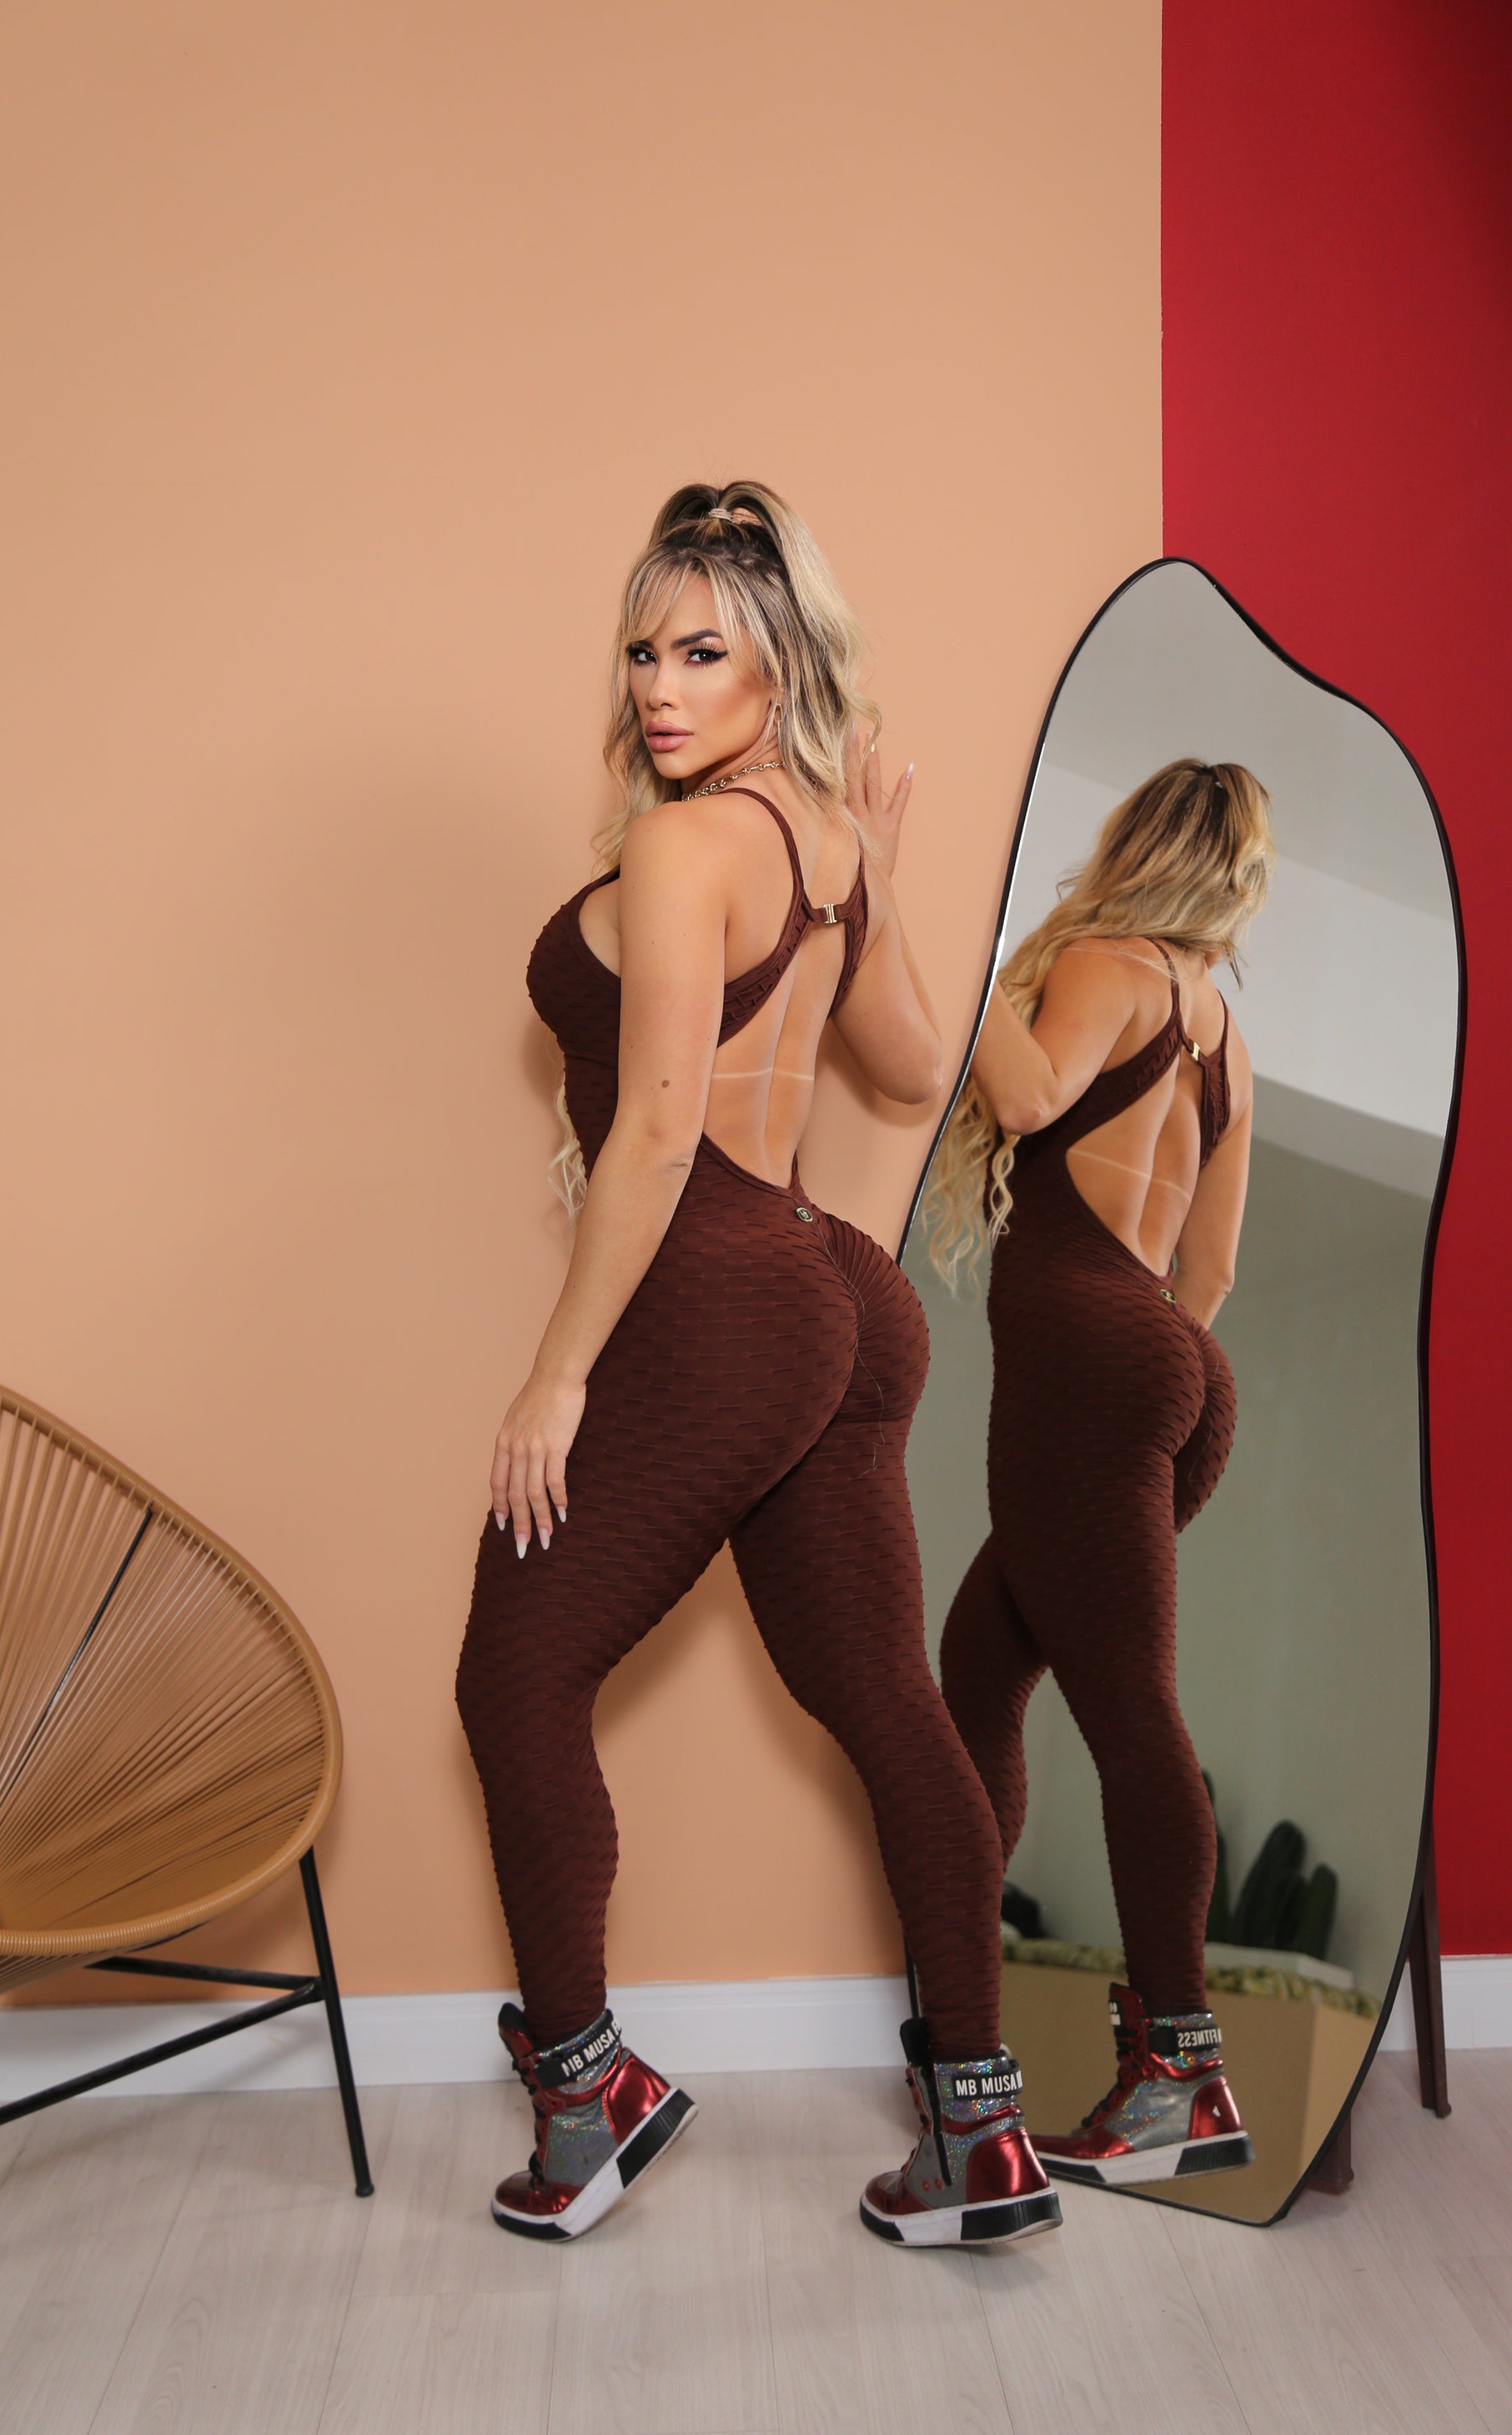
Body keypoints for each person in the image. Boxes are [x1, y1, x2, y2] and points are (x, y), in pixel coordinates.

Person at [455, 481, 1060, 2247]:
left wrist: (558, 1371)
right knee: (887, 1704)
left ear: (777, 663)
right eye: (642, 651)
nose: (658, 686)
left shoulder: (683, 846)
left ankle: (588, 2096)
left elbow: (656, 1131)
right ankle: (980, 2132)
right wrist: (876, 876)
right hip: (834, 1292)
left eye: (701, 651)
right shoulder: (820, 842)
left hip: (715, 1291)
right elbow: (913, 1069)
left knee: (513, 1680)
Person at [924, 757, 1273, 2186]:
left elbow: (1026, 1099)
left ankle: (1178, 2073)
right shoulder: (1225, 1037)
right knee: (977, 1671)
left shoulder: (1106, 966)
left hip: (1085, 1363)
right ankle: (962, 2027)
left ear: (1136, 843)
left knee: (1129, 1711)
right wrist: (1147, 1369)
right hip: (1170, 1359)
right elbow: (1212, 1269)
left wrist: (962, 964)